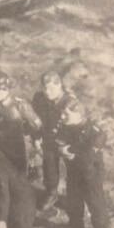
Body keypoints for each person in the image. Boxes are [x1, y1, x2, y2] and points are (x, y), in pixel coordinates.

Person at [57, 98, 109, 228]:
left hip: (91, 172)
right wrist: (63, 150)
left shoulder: (95, 131)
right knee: (73, 198)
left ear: (79, 115)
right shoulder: (65, 126)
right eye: (62, 113)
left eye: (66, 114)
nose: (62, 116)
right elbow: (58, 141)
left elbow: (90, 152)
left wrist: (70, 152)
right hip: (73, 170)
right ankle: (76, 226)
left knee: (95, 201)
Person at [31, 70, 73, 210]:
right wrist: (36, 137)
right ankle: (51, 193)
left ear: (59, 85)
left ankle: (77, 198)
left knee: (75, 170)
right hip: (49, 138)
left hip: (69, 140)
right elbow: (35, 119)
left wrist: (70, 146)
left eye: (51, 89)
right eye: (45, 88)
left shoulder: (70, 101)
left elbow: (78, 125)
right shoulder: (39, 98)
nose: (47, 92)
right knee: (49, 166)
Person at [0, 69, 36, 175]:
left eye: (0, 90)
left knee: (18, 177)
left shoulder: (20, 104)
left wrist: (25, 131)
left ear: (7, 88)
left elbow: (35, 124)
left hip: (16, 147)